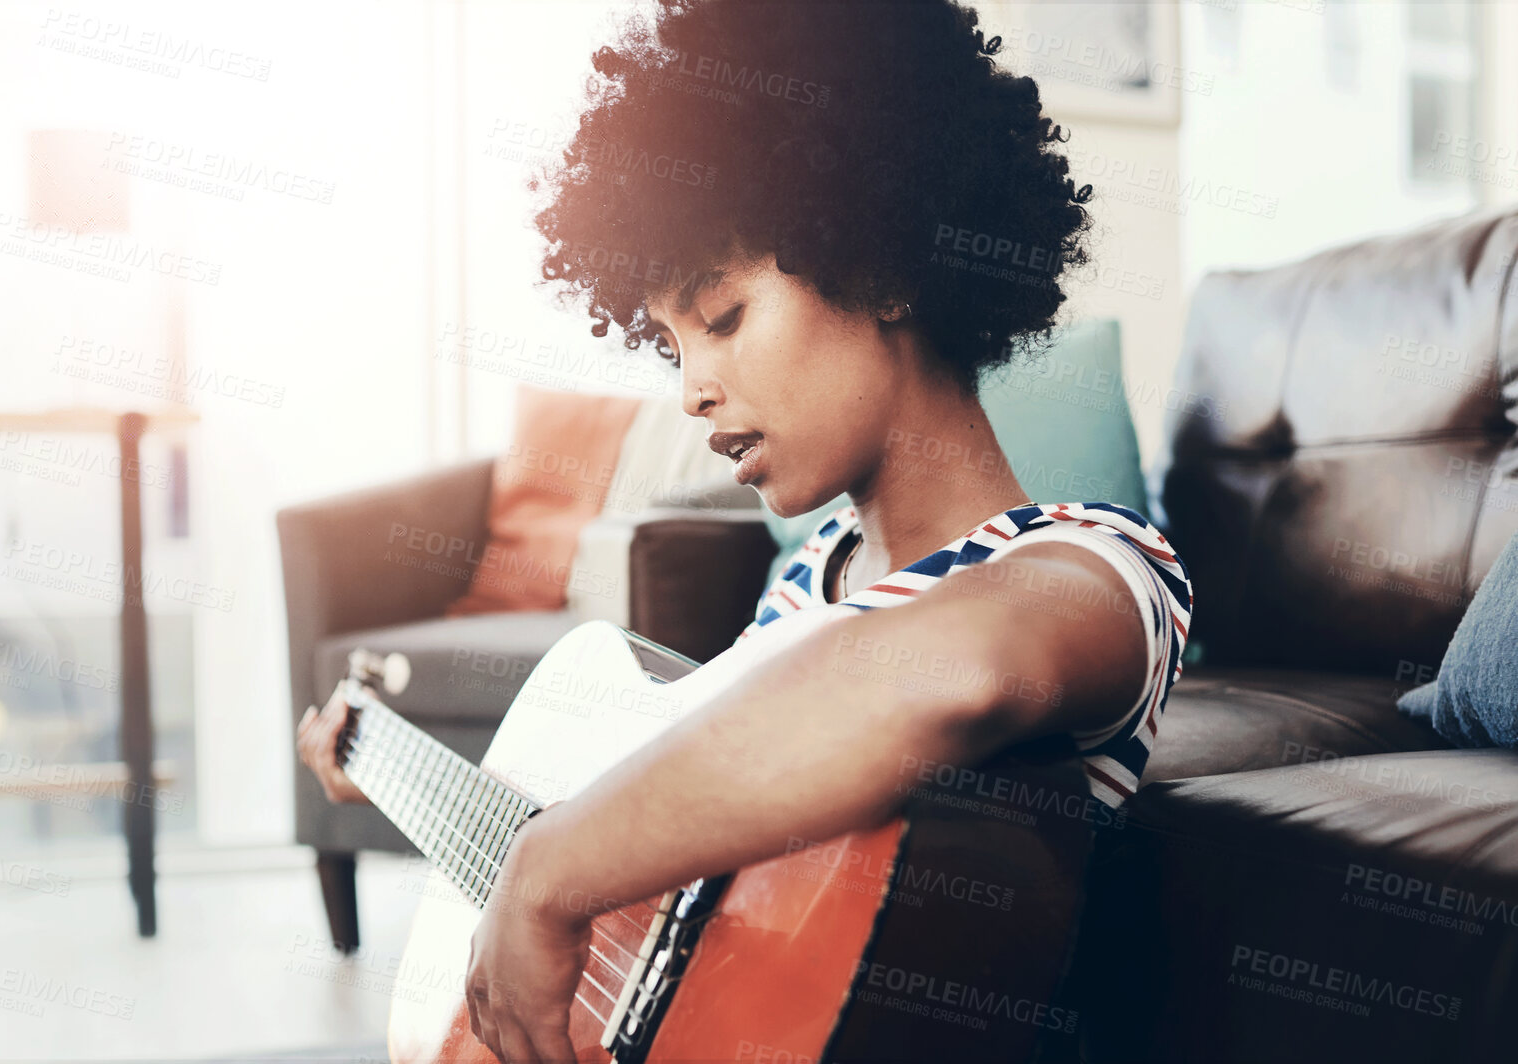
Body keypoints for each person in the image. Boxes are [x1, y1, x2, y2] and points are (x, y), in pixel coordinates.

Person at [297, 1, 1193, 1060]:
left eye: (720, 318)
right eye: (671, 348)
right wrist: (393, 763)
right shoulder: (805, 584)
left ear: (887, 265)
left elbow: (953, 670)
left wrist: (548, 872)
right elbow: (686, 851)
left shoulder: (1100, 564)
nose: (692, 389)